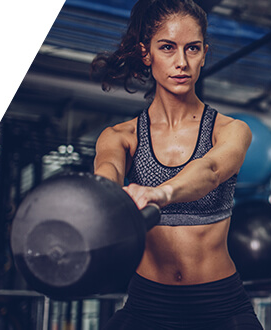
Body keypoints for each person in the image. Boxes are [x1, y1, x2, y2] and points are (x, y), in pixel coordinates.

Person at [91, 0, 260, 328]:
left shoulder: (230, 130)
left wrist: (161, 193)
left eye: (192, 49)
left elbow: (210, 171)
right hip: (147, 305)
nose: (181, 62)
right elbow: (106, 176)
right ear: (146, 53)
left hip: (220, 305)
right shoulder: (120, 137)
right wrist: (107, 197)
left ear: (204, 54)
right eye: (167, 48)